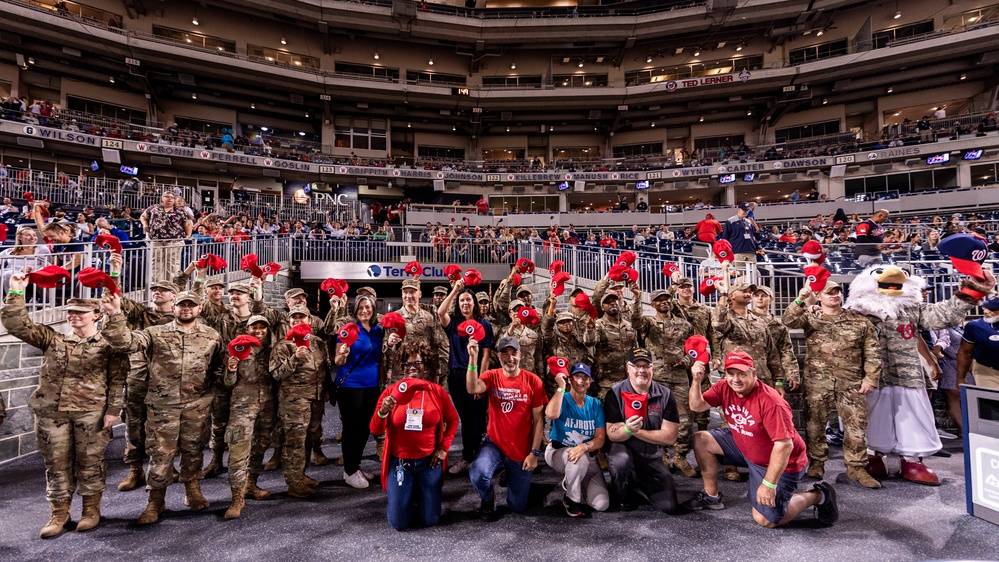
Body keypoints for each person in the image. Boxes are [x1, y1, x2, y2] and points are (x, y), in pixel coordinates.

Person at [1, 288, 125, 538]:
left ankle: (91, 511)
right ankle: (60, 513)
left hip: (91, 413)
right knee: (55, 465)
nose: (73, 315)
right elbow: (16, 324)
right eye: (70, 312)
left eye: (81, 312)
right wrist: (15, 290)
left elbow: (117, 379)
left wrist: (113, 410)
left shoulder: (108, 344)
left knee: (90, 463)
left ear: (96, 315)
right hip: (51, 413)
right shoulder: (52, 339)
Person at [102, 291, 226, 525]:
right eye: (182, 305)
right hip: (162, 406)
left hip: (196, 406)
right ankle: (156, 501)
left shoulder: (211, 335)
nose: (186, 308)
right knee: (160, 454)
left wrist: (210, 395)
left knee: (193, 451)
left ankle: (193, 490)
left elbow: (220, 367)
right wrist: (114, 313)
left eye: (191, 305)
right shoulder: (154, 333)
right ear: (174, 308)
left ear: (200, 309)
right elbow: (124, 342)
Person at [684, 352, 839, 528]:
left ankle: (818, 495)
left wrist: (768, 484)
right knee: (702, 439)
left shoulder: (771, 402)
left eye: (742, 374)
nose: (736, 379)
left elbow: (784, 445)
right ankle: (711, 496)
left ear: (754, 374)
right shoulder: (724, 388)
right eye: (731, 373)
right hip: (747, 446)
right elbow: (697, 406)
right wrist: (696, 381)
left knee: (765, 520)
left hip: (781, 461)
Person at [782, 281, 883, 489]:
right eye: (829, 292)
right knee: (814, 424)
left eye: (837, 292)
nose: (834, 295)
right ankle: (817, 462)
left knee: (856, 426)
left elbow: (872, 351)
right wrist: (801, 298)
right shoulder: (811, 318)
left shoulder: (859, 321)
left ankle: (856, 468)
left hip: (851, 382)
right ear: (819, 296)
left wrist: (871, 378)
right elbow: (788, 320)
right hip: (818, 382)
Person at [370, 340, 459, 531]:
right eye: (407, 364)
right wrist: (382, 411)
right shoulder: (391, 393)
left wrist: (443, 448)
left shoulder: (436, 392)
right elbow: (376, 430)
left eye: (417, 363)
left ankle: (416, 493)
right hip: (400, 463)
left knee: (430, 520)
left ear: (425, 365)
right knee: (399, 523)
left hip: (429, 463)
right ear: (401, 367)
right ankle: (405, 495)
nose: (412, 368)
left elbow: (453, 421)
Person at [465, 336, 546, 521]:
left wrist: (534, 453)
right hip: (495, 443)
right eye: (505, 354)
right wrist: (472, 358)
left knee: (517, 507)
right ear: (499, 357)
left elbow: (539, 420)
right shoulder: (491, 376)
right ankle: (488, 497)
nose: (510, 358)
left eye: (514, 353)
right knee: (478, 474)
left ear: (521, 354)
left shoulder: (533, 381)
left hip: (520, 447)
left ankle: (510, 475)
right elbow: (472, 388)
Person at [603, 348, 681, 513]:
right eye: (636, 366)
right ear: (627, 367)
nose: (641, 371)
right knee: (620, 461)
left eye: (646, 366)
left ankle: (638, 477)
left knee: (670, 507)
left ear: (652, 368)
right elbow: (611, 434)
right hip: (624, 450)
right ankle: (621, 493)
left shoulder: (665, 395)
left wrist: (634, 431)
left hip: (651, 457)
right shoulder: (615, 393)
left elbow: (670, 437)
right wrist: (627, 430)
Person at [273, 305, 332, 495]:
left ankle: (302, 474)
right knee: (294, 442)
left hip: (315, 399)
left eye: (302, 317)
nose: (298, 320)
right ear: (289, 321)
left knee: (309, 439)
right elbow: (276, 374)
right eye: (294, 317)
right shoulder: (283, 345)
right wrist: (294, 359)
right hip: (294, 401)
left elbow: (325, 368)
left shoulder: (318, 343)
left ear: (310, 321)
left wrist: (326, 390)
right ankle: (293, 482)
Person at [220, 315, 276, 518]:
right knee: (238, 453)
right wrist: (231, 368)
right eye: (254, 327)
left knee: (260, 447)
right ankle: (236, 499)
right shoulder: (237, 349)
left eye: (263, 327)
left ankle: (251, 484)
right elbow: (227, 383)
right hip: (243, 408)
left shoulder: (271, 350)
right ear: (247, 328)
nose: (258, 330)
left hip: (267, 406)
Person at [437, 281, 494, 474]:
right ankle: (467, 457)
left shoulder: (484, 324)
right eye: (462, 300)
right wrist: (455, 290)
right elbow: (440, 313)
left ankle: (480, 459)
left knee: (477, 419)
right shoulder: (453, 322)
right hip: (456, 377)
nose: (465, 303)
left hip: (476, 377)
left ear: (475, 303)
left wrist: (482, 381)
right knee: (465, 419)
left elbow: (486, 354)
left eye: (468, 299)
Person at [332, 294, 384, 488]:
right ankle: (349, 471)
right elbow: (338, 361)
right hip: (350, 386)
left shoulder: (378, 331)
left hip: (372, 386)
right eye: (361, 307)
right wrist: (343, 354)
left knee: (365, 428)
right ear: (355, 310)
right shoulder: (349, 329)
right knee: (351, 429)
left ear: (373, 310)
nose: (364, 310)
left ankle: (356, 465)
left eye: (368, 307)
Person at [544, 362, 609, 516]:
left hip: (588, 456)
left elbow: (600, 438)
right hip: (559, 452)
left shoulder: (595, 404)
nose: (581, 380)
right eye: (577, 376)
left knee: (602, 504)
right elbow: (551, 414)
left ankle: (576, 481)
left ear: (590, 382)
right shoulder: (562, 398)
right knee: (579, 460)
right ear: (570, 380)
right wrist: (560, 387)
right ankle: (572, 500)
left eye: (585, 377)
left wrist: (584, 447)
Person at [584, 292, 638, 400]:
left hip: (628, 380)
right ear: (602, 307)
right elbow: (590, 342)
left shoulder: (628, 325)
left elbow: (635, 347)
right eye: (608, 303)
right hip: (607, 381)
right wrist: (590, 329)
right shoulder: (598, 324)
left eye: (615, 301)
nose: (613, 304)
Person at [141, 191, 193, 282]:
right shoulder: (153, 208)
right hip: (156, 240)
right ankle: (157, 285)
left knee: (173, 264)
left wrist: (188, 235)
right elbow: (143, 216)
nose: (169, 199)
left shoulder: (180, 211)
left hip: (174, 241)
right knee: (156, 263)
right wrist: (145, 225)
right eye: (167, 196)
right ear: (162, 198)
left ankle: (171, 287)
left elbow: (187, 223)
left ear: (174, 200)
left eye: (172, 197)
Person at [957, 297, 999, 389]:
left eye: (992, 309)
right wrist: (960, 378)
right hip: (987, 372)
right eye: (985, 307)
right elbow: (965, 352)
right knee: (991, 402)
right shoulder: (975, 326)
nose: (986, 312)